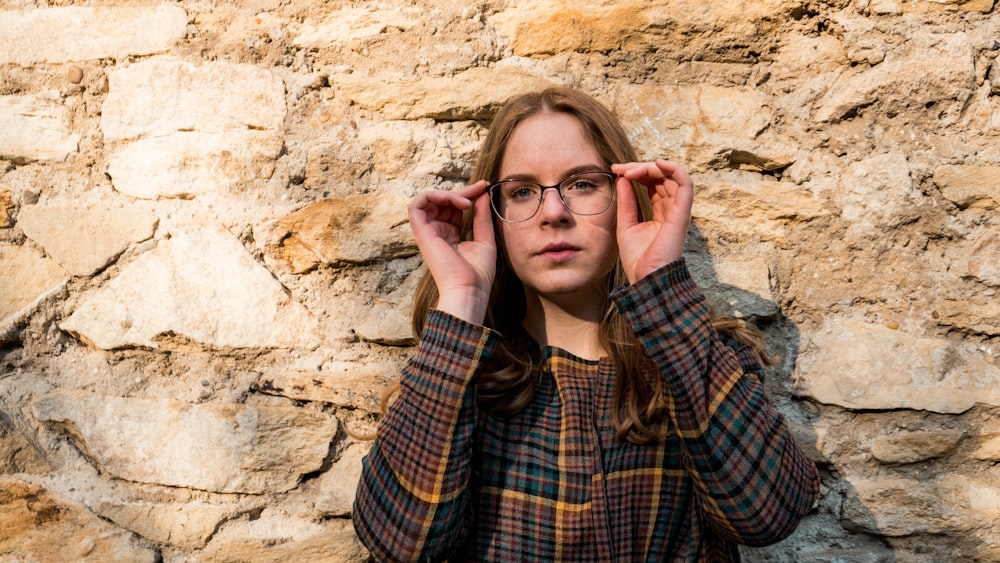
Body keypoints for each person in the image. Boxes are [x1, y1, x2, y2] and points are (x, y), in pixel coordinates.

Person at [352, 87, 820, 561]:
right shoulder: (460, 378)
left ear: (624, 196)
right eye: (522, 192)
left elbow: (767, 516)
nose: (554, 213)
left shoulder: (699, 355)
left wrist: (661, 286)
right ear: (492, 215)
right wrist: (461, 299)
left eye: (581, 184)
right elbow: (401, 543)